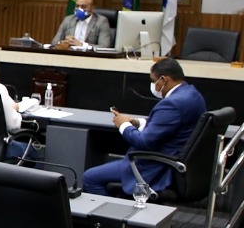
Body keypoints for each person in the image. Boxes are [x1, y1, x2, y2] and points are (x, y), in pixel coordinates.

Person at [83, 58, 206, 196]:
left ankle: (107, 216)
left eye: (154, 81)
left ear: (164, 80)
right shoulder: (192, 94)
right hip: (175, 161)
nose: (153, 85)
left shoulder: (172, 104)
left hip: (154, 166)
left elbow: (144, 142)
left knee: (90, 177)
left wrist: (123, 125)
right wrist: (138, 122)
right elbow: (169, 126)